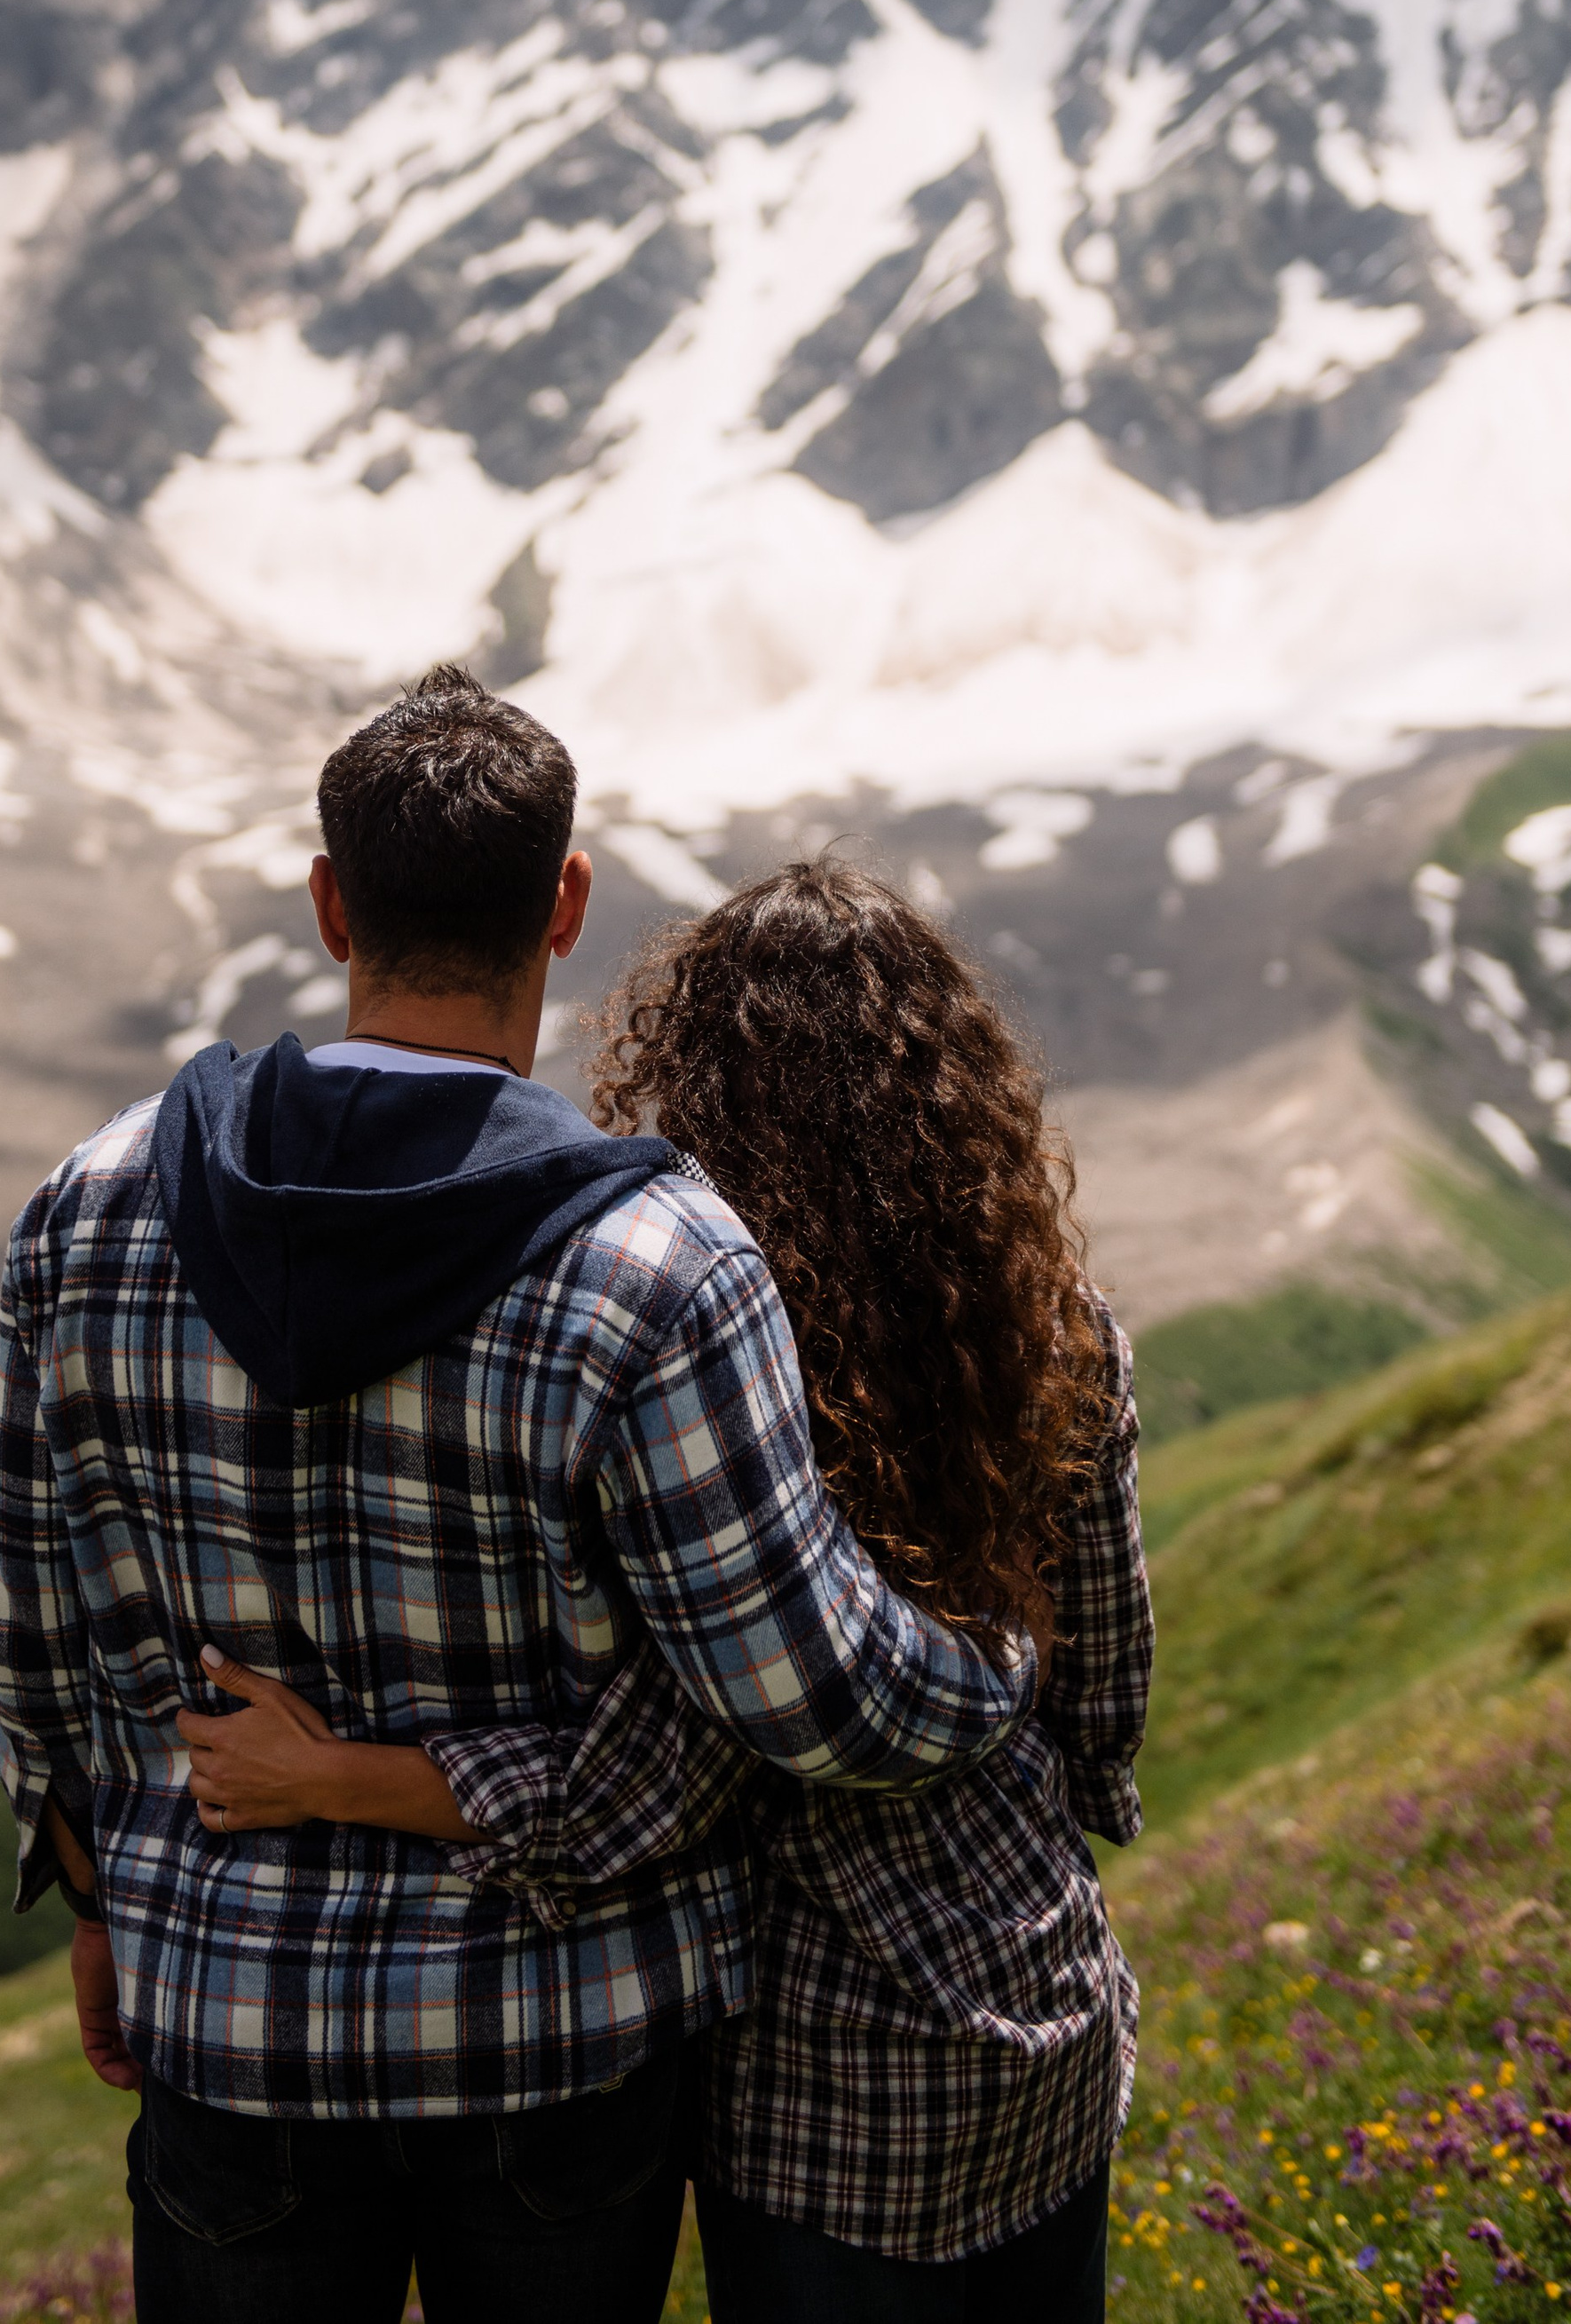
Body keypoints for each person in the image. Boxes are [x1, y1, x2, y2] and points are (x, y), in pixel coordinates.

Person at [0, 676, 1037, 2324]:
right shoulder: (660, 1264)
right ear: (566, 904)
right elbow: (808, 1699)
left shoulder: (91, 1205)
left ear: (332, 904)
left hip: (229, 2014)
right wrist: (1001, 1662)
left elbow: (36, 1627)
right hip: (561, 2038)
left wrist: (107, 1900)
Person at [180, 857, 1151, 2322]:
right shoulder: (1052, 1320)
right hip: (1048, 1981)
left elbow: (647, 1784)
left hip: (824, 2066)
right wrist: (1050, 1779)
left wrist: (331, 1778)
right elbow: (1110, 1665)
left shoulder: (732, 1378)